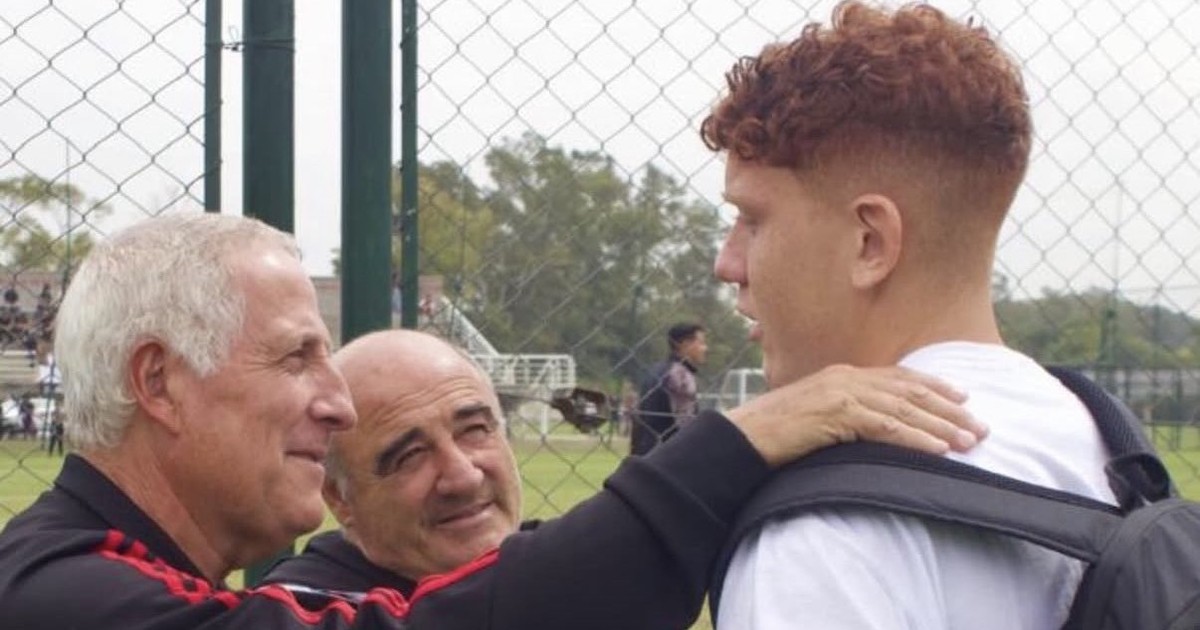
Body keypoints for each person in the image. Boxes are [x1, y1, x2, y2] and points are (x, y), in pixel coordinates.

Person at [0, 212, 985, 630]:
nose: (334, 401)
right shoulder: (60, 593)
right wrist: (727, 450)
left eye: (475, 428)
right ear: (160, 384)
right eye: (297, 357)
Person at [701, 3, 1118, 629]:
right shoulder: (1102, 444)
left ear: (869, 243)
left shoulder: (828, 537)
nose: (727, 263)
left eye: (753, 220)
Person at [630, 322, 708, 456]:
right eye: (701, 343)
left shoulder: (655, 370)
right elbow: (686, 425)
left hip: (647, 452)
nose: (705, 348)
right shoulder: (681, 375)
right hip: (670, 455)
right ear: (685, 344)